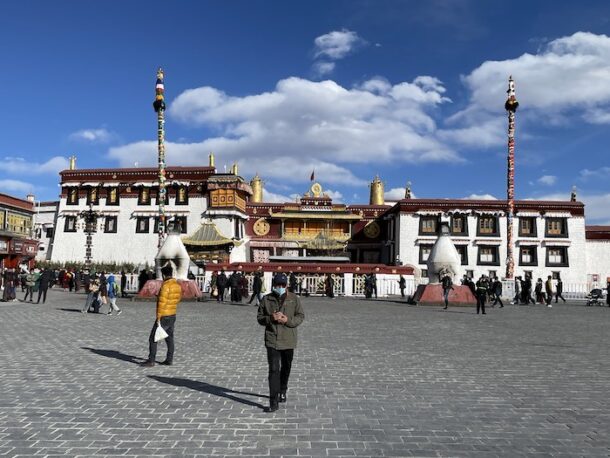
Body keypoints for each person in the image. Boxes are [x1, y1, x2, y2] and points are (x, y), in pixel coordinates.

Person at [257, 273, 305, 412]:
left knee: (286, 367)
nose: (280, 287)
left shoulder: (294, 299)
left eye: (283, 285)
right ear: (274, 285)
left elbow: (300, 316)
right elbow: (260, 318)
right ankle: (273, 401)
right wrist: (270, 318)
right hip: (272, 339)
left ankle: (283, 389)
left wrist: (287, 320)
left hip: (288, 339)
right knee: (273, 370)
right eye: (278, 285)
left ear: (286, 285)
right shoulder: (267, 299)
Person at [142, 263, 182, 367]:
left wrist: (158, 318)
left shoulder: (165, 286)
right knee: (169, 338)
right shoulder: (177, 285)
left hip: (164, 315)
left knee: (153, 338)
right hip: (172, 314)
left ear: (164, 275)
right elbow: (177, 299)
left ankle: (151, 360)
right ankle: (169, 359)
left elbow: (161, 303)